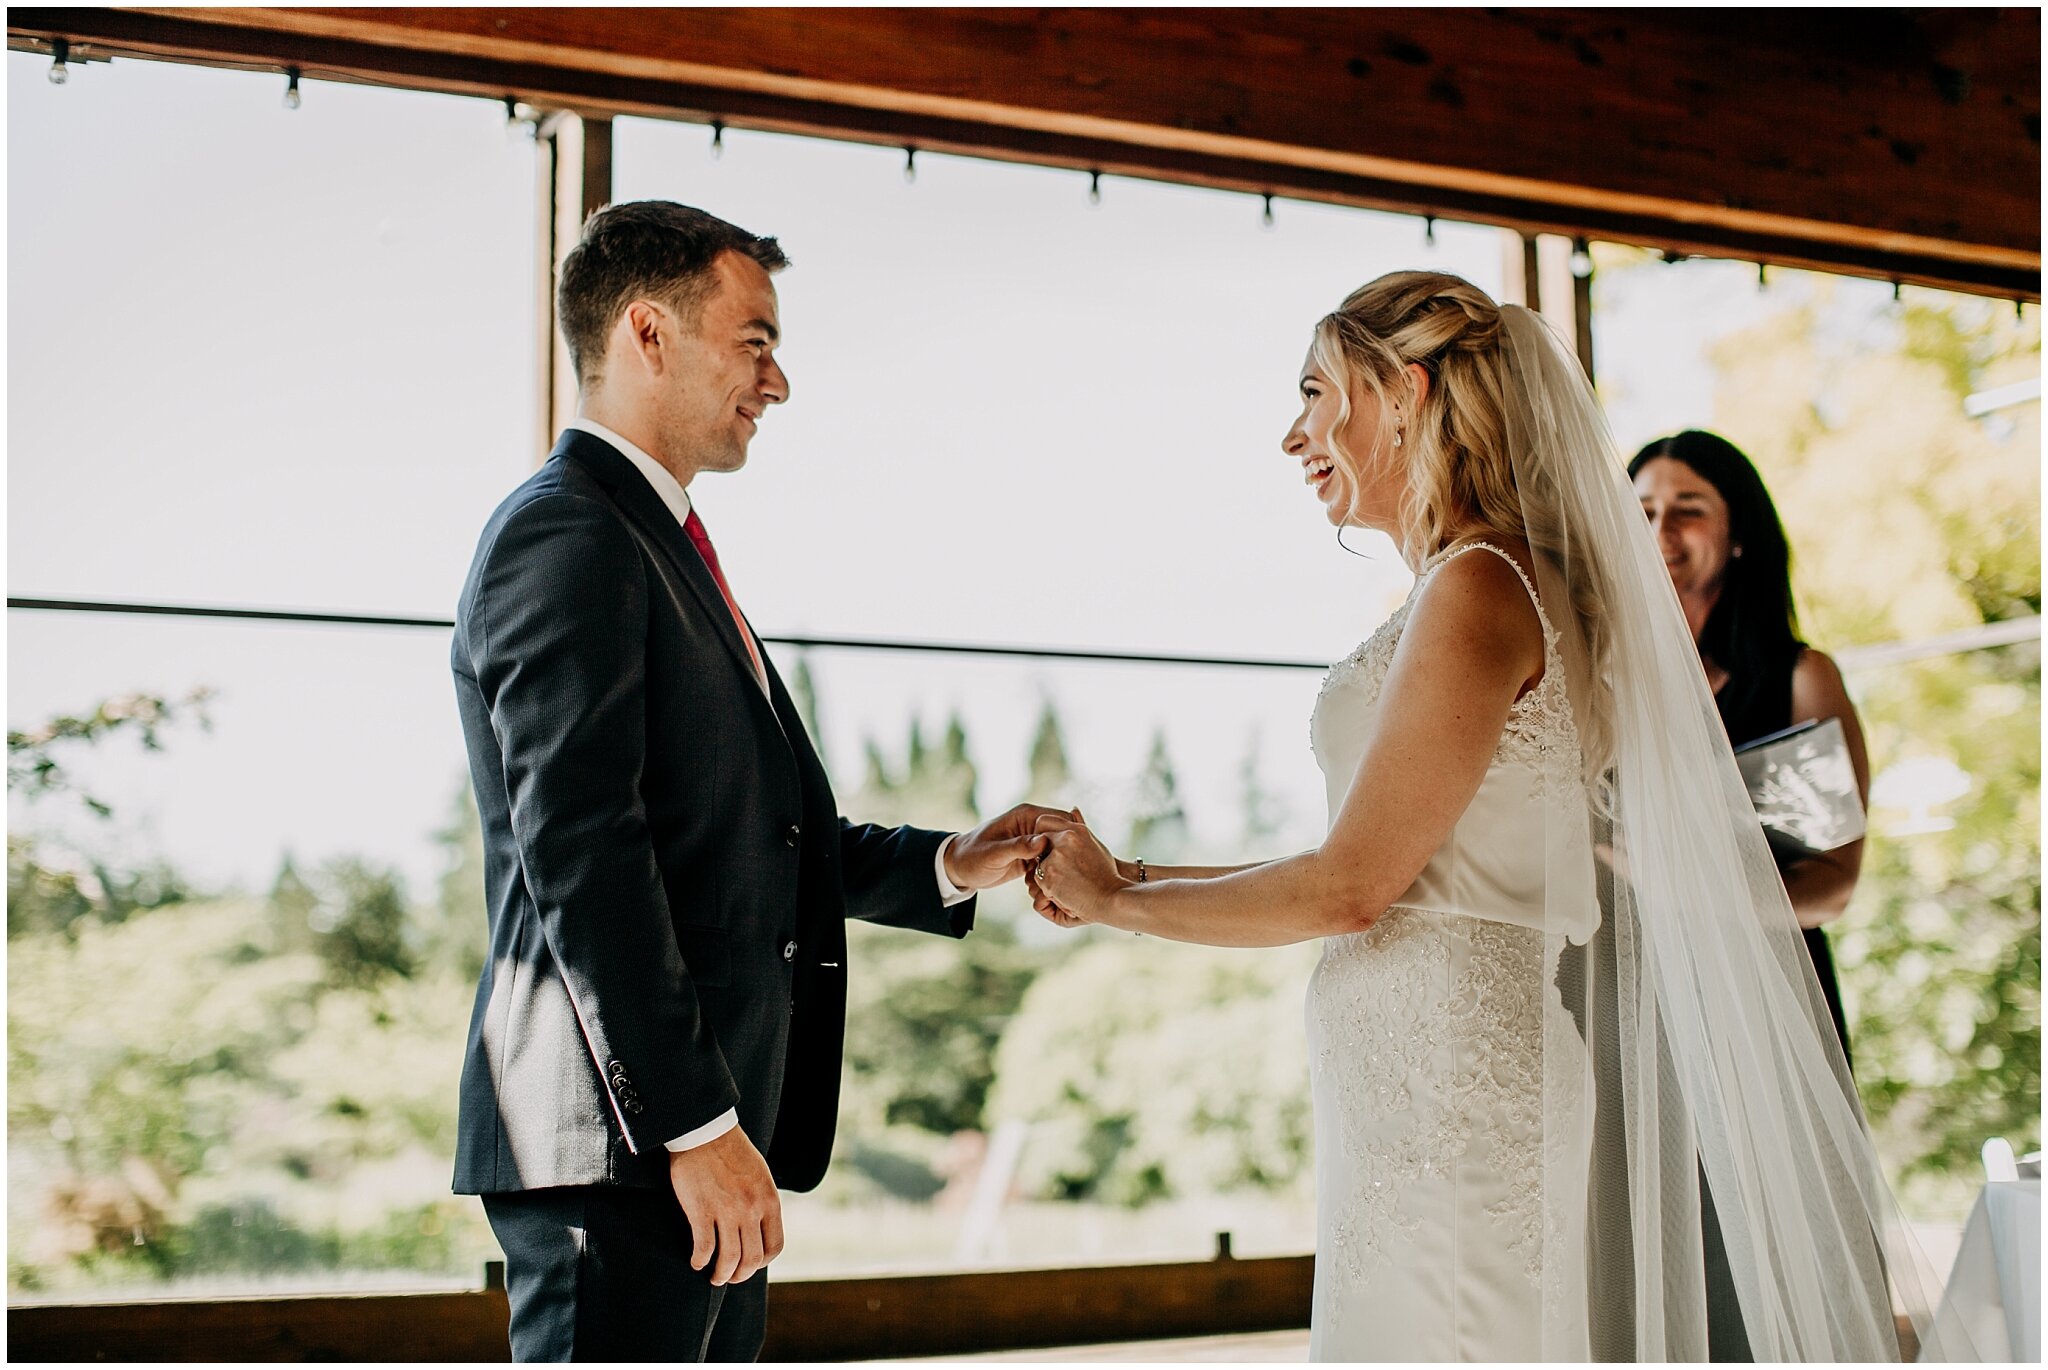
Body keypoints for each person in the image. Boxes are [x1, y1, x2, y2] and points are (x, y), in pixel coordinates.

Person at [1030, 272, 1956, 1359]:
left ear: (1403, 393)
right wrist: (1126, 875)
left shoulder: (1482, 585)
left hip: (1458, 1098)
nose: (1293, 435)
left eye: (1314, 391)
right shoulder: (1470, 585)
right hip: (1420, 1092)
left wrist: (1117, 906)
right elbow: (1380, 854)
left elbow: (1351, 885)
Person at [448, 200, 1055, 1361]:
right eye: (757, 340)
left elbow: (760, 836)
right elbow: (582, 852)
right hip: (629, 1150)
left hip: (691, 1151)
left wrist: (952, 860)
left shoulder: (656, 542)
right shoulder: (566, 533)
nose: (778, 382)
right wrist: (692, 1124)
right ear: (648, 332)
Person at [1630, 430, 1869, 1065]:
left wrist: (1697, 895)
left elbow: (1833, 884)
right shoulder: (1605, 681)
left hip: (1771, 1014)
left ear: (1737, 534)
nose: (1662, 529)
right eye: (1644, 510)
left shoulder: (1800, 679)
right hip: (1637, 1007)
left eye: (1689, 508)